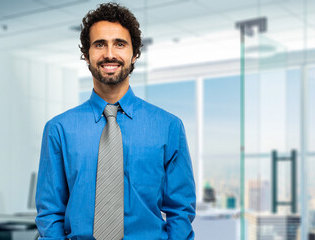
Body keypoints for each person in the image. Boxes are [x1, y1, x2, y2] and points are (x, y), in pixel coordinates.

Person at [35, 2, 196, 240]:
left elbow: (180, 211)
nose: (110, 54)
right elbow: (50, 213)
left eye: (120, 44)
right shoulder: (59, 129)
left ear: (135, 53)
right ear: (86, 54)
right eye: (100, 44)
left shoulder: (168, 127)